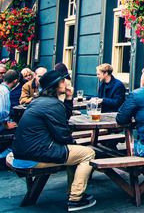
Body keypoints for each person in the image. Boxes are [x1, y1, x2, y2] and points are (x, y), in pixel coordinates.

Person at [11, 70, 97, 211]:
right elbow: (63, 135)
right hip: (34, 154)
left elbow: (63, 117)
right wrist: (72, 144)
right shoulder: (52, 104)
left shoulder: (41, 101)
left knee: (76, 152)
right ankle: (76, 199)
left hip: (24, 151)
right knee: (88, 153)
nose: (65, 83)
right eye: (62, 81)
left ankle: (72, 192)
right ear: (54, 85)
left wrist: (69, 98)